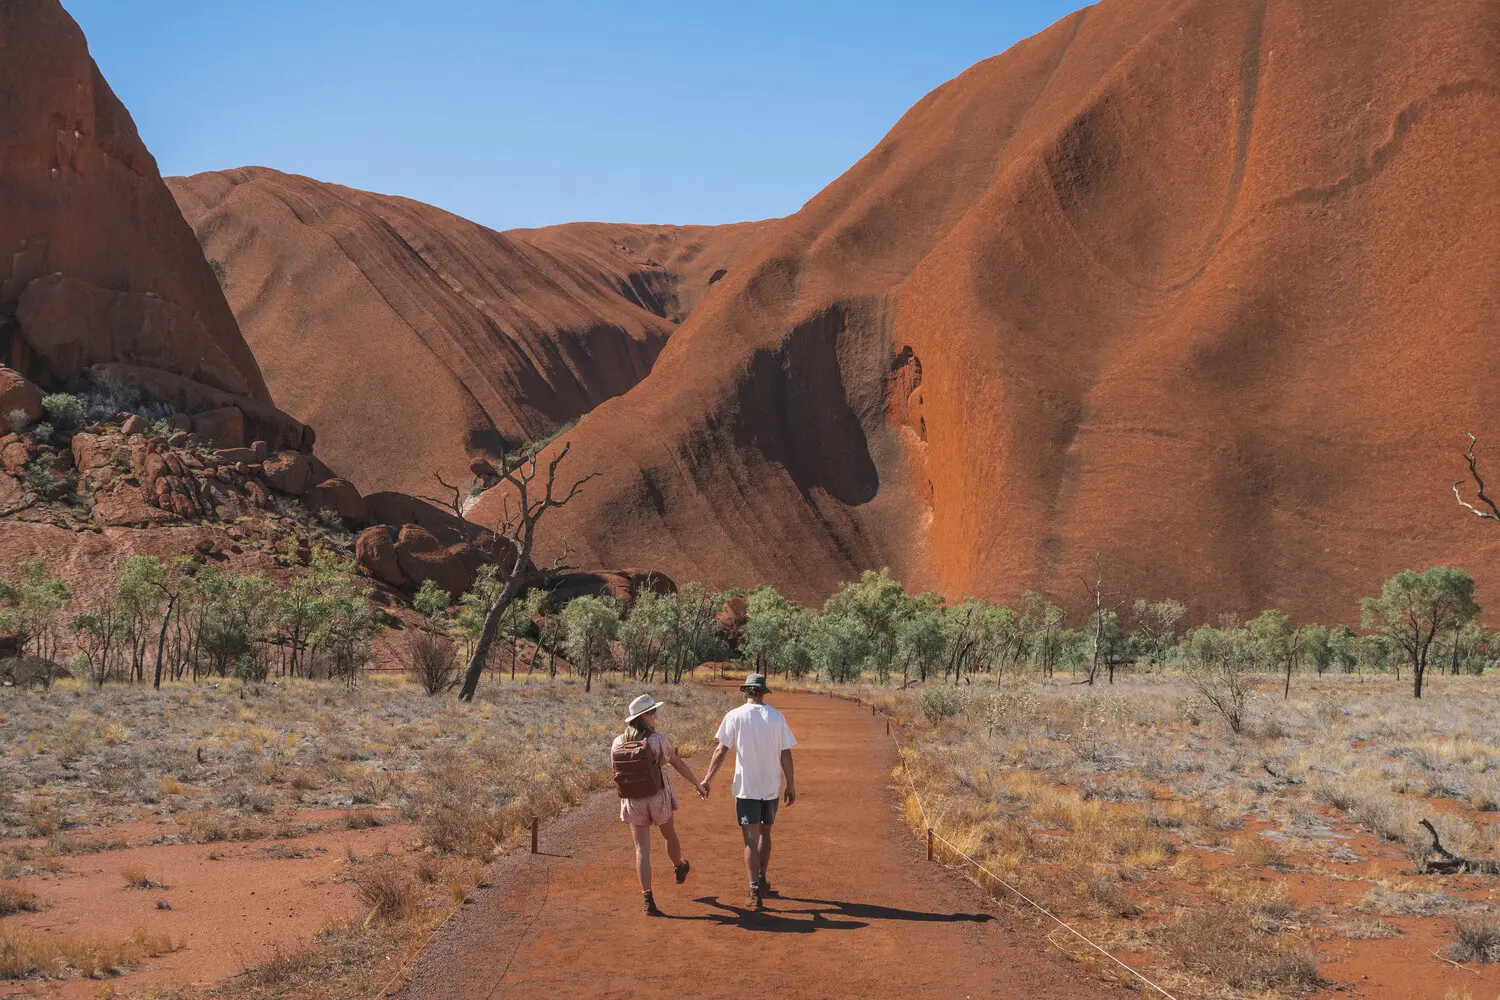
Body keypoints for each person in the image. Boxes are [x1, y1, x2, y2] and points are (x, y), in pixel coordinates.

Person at [701, 673, 797, 912]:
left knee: (750, 840)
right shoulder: (776, 717)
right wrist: (791, 785)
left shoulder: (734, 716)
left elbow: (721, 750)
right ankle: (762, 876)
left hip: (747, 787)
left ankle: (754, 889)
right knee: (766, 832)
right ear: (763, 692)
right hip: (771, 786)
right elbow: (786, 753)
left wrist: (707, 779)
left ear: (746, 691)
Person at [611, 694, 708, 916]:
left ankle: (648, 899)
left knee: (641, 848)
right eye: (653, 712)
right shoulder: (656, 740)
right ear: (644, 716)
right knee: (669, 834)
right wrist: (697, 785)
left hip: (633, 798)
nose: (656, 716)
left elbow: (615, 772)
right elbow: (677, 764)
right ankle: (679, 865)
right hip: (657, 795)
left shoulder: (617, 742)